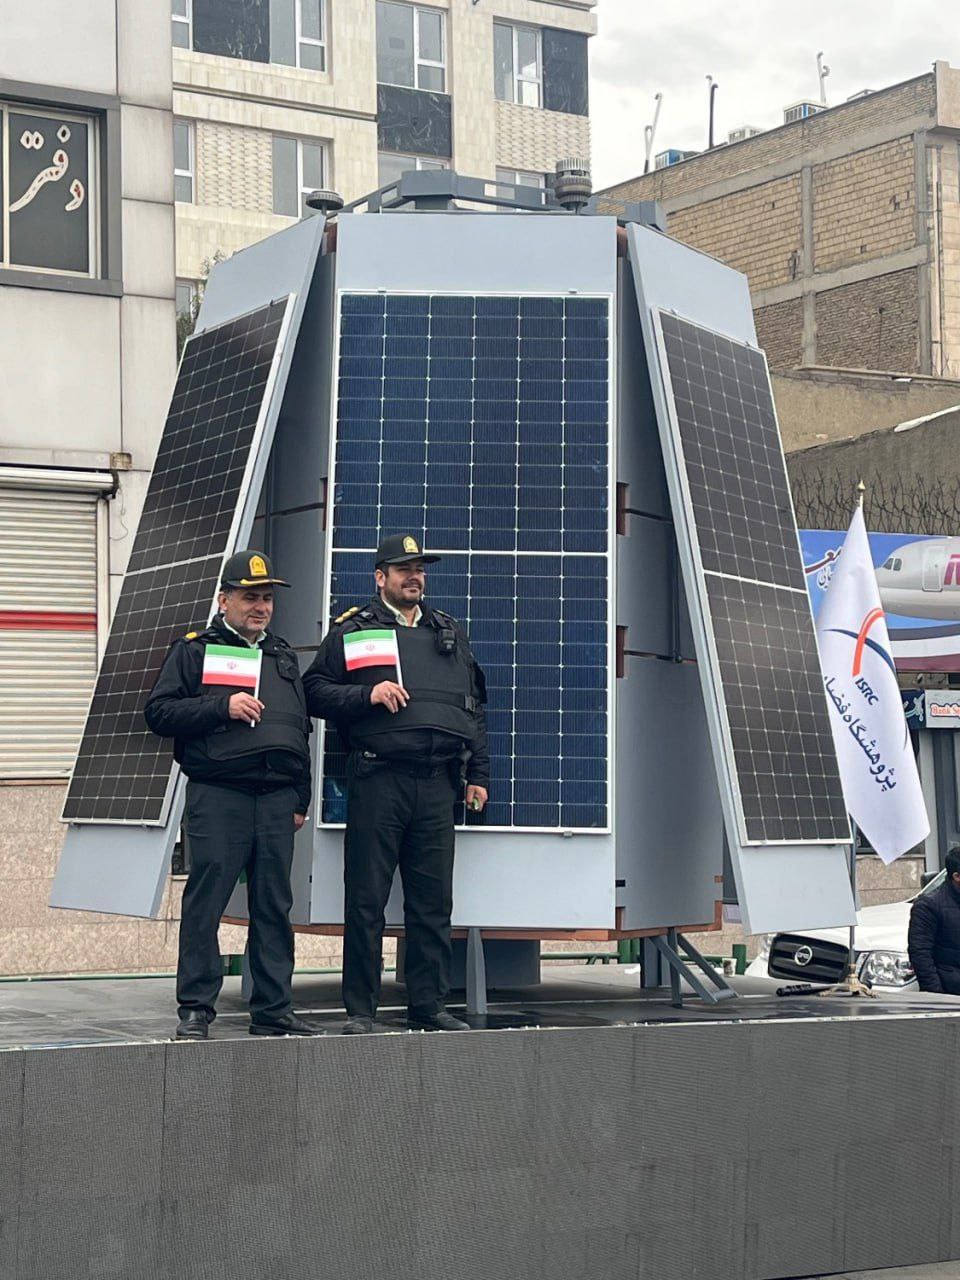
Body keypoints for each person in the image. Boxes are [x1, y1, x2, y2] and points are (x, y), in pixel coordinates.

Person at [303, 534, 489, 1034]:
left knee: (433, 903)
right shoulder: (354, 629)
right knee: (366, 901)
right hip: (378, 779)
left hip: (437, 784)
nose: (415, 577)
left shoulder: (447, 631)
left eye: (420, 569)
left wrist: (478, 774)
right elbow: (313, 691)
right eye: (404, 569)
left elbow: (473, 708)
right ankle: (361, 1011)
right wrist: (366, 696)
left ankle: (428, 1005)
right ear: (380, 577)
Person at [144, 550, 317, 1039]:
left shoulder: (282, 655)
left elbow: (298, 729)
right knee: (207, 903)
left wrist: (300, 797)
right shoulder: (195, 650)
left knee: (273, 906)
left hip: (277, 799)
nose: (260, 607)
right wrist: (221, 706)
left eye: (267, 599)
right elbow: (159, 713)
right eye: (250, 597)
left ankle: (273, 1009)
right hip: (220, 795)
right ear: (225, 600)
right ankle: (196, 1009)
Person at [908, 845, 960, 994]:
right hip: (951, 994)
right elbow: (920, 954)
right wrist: (937, 996)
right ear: (957, 877)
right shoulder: (928, 905)